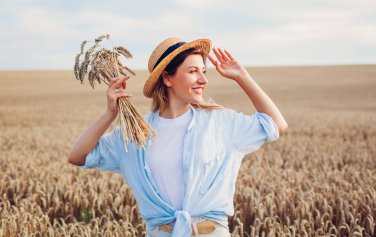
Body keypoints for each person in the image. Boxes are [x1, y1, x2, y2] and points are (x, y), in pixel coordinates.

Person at [68, 37, 288, 237]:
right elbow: (78, 156)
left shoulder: (220, 123)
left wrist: (243, 77)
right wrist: (110, 114)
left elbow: (276, 125)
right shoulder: (136, 134)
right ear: (167, 78)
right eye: (193, 71)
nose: (203, 79)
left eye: (204, 71)